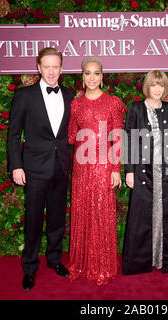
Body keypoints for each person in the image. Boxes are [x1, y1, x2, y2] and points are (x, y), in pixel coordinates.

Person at [8, 48, 73, 291]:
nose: (51, 71)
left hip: (60, 168)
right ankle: (30, 268)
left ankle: (55, 260)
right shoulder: (24, 95)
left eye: (55, 66)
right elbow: (14, 134)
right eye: (46, 66)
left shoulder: (69, 95)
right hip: (34, 169)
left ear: (62, 68)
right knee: (34, 221)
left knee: (57, 219)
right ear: (38, 68)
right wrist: (16, 165)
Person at [122, 70, 168, 275]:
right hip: (143, 171)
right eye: (153, 85)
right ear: (147, 87)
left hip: (164, 170)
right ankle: (140, 262)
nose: (157, 89)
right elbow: (129, 141)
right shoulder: (135, 108)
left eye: (161, 85)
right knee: (141, 216)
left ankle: (162, 259)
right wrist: (129, 171)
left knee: (164, 214)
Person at [67, 57, 124, 286]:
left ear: (102, 76)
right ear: (82, 77)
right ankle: (80, 264)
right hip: (81, 167)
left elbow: (117, 137)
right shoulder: (75, 105)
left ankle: (102, 266)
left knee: (102, 214)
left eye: (96, 73)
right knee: (82, 213)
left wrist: (116, 169)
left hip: (104, 166)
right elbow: (72, 135)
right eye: (88, 73)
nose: (92, 77)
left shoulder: (113, 103)